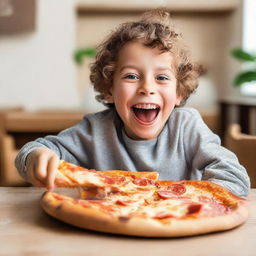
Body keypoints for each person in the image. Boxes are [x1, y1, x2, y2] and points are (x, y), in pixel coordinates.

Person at [15, 10, 250, 197]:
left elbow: (235, 179)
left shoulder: (187, 128)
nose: (147, 88)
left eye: (161, 78)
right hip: (111, 229)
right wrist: (36, 156)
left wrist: (183, 198)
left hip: (178, 228)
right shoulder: (96, 131)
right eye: (131, 76)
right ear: (109, 89)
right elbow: (31, 153)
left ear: (179, 92)